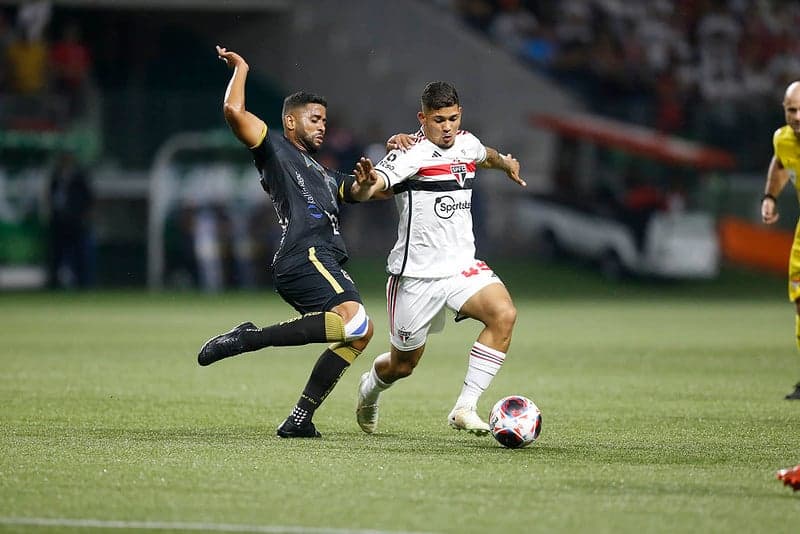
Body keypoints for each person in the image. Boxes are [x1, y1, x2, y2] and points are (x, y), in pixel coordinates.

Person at [199, 46, 384, 438]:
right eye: (314, 119)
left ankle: (299, 419)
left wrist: (371, 183)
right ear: (290, 121)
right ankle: (250, 338)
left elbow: (361, 192)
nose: (322, 126)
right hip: (305, 253)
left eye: (324, 121)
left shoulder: (327, 174)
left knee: (359, 334)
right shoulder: (276, 150)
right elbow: (234, 113)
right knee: (356, 322)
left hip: (323, 257)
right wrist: (243, 68)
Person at [352, 81, 526, 435]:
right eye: (438, 120)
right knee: (402, 365)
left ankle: (464, 407)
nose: (447, 127)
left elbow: (485, 154)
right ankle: (369, 388)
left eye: (452, 118)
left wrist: (505, 163)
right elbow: (374, 185)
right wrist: (364, 184)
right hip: (415, 276)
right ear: (423, 118)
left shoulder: (466, 142)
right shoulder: (408, 153)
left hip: (462, 267)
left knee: (504, 314)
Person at [761, 80, 800, 400]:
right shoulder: (783, 139)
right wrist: (770, 196)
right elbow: (781, 163)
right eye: (792, 109)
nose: (798, 116)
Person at [46, 150, 94, 289]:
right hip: (59, 222)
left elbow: (88, 198)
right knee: (57, 255)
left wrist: (83, 216)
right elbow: (51, 198)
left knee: (80, 255)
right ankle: (54, 285)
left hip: (76, 222)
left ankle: (83, 284)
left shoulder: (80, 178)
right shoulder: (55, 177)